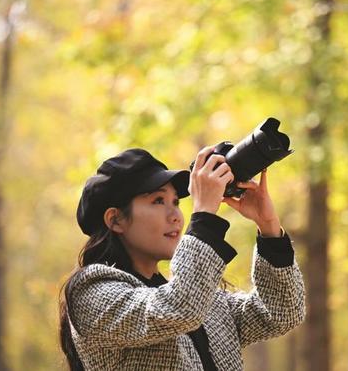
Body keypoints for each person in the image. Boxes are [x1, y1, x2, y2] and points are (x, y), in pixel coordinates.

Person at [58, 146, 306, 370]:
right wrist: (204, 214)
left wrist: (269, 227)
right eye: (158, 201)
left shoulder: (196, 298)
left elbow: (280, 314)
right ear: (116, 220)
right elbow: (179, 307)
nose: (176, 215)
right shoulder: (91, 293)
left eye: (176, 202)